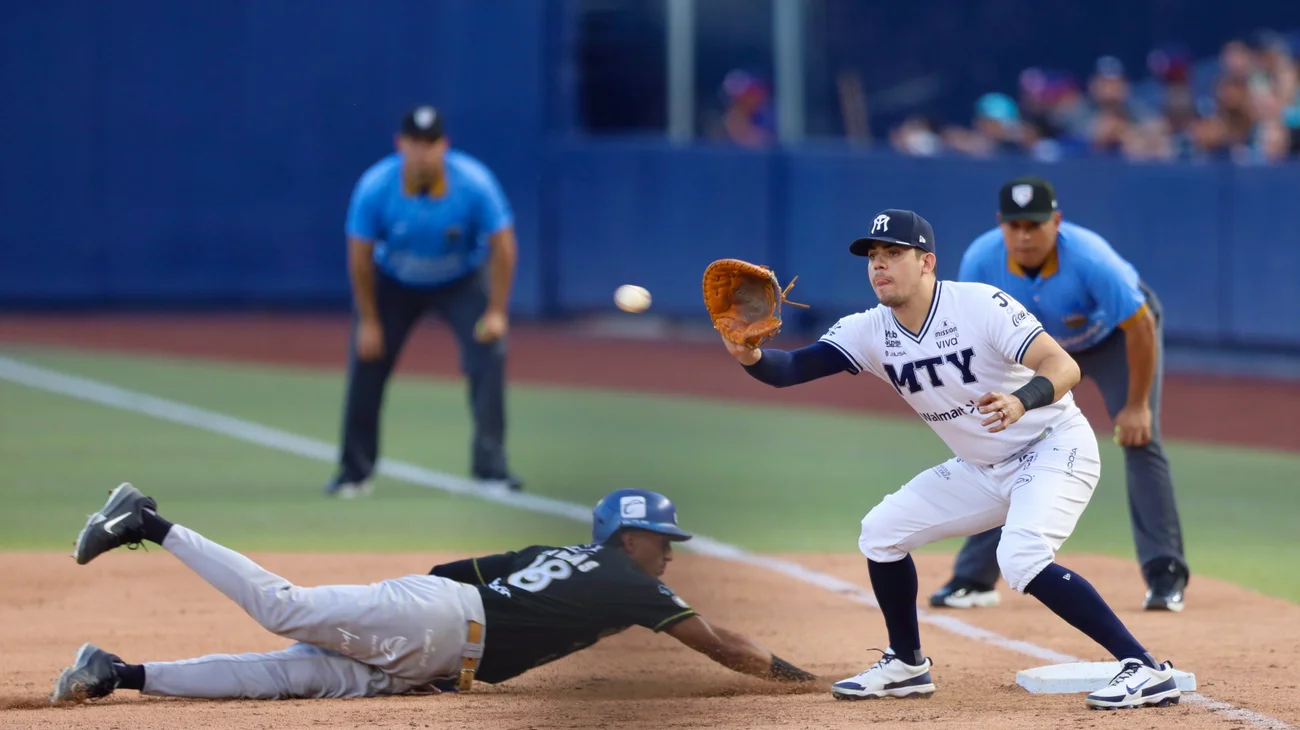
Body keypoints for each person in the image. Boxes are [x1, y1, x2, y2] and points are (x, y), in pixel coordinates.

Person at [719, 209, 1181, 710]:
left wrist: (1021, 400)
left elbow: (1063, 366)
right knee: (881, 532)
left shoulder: (978, 305)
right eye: (872, 256)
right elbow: (790, 369)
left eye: (893, 253)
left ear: (926, 262)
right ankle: (906, 665)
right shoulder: (868, 330)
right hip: (982, 468)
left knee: (1021, 557)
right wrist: (749, 356)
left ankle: (1145, 668)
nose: (879, 264)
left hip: (1053, 446)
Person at [50, 484, 820, 703]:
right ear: (627, 538)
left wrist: (411, 616)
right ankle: (147, 521)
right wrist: (801, 682)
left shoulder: (556, 555)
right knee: (286, 610)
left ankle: (116, 673)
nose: (670, 552)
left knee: (285, 676)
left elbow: (456, 570)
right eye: (661, 538)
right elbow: (720, 646)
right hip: (436, 631)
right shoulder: (626, 579)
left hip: (433, 639)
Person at [928, 176, 1189, 613]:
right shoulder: (981, 261)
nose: (1024, 236)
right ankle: (974, 578)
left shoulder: (1090, 259)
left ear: (1056, 222)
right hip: (1038, 350)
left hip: (1111, 341)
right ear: (1000, 225)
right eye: (1015, 226)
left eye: (1034, 225)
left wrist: (1137, 405)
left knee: (1140, 439)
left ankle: (1165, 575)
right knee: (1005, 443)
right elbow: (972, 333)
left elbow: (1141, 325)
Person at [324, 104, 522, 498]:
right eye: (415, 142)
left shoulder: (474, 183)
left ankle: (491, 469)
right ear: (400, 144)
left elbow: (503, 247)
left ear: (444, 146)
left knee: (489, 353)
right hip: (394, 284)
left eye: (431, 143)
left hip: (461, 282)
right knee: (368, 361)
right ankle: (354, 472)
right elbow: (360, 257)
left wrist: (497, 311)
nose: (423, 152)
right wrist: (369, 321)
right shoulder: (376, 187)